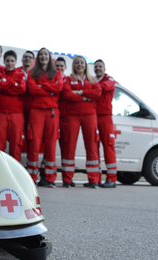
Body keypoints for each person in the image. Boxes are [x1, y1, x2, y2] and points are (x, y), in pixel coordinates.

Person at [61, 56, 101, 188]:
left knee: (92, 147)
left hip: (90, 116)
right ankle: (67, 179)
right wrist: (86, 97)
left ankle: (93, 180)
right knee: (69, 146)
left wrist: (79, 92)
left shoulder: (92, 79)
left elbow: (97, 93)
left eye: (82, 63)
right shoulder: (68, 79)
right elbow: (67, 94)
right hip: (72, 116)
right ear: (73, 65)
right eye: (77, 63)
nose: (79, 65)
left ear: (85, 65)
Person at [26, 47, 63, 188]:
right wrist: (49, 88)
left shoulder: (57, 73)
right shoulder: (32, 72)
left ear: (49, 57)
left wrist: (41, 86)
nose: (43, 56)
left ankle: (49, 178)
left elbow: (58, 88)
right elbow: (32, 89)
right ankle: (32, 177)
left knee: (51, 145)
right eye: (41, 54)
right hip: (37, 111)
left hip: (52, 112)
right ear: (38, 57)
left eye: (45, 54)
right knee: (34, 144)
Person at [37, 57, 70, 187]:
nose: (59, 68)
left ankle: (67, 178)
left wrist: (47, 88)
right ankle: (44, 174)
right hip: (51, 114)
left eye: (62, 66)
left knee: (58, 147)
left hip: (65, 117)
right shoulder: (51, 78)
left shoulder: (68, 80)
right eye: (57, 66)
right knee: (48, 147)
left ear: (65, 68)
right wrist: (50, 88)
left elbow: (64, 92)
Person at [0, 50, 26, 161]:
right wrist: (12, 83)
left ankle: (14, 173)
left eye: (12, 61)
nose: (10, 63)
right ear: (4, 61)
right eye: (7, 61)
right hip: (0, 114)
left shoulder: (21, 74)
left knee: (16, 145)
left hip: (16, 114)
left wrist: (4, 86)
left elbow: (21, 89)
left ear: (16, 62)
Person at [94, 59, 118, 188]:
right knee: (94, 147)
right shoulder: (92, 80)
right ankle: (96, 179)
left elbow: (104, 87)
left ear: (104, 69)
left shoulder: (109, 79)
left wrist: (90, 88)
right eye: (96, 67)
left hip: (105, 117)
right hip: (93, 116)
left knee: (108, 146)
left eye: (100, 67)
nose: (98, 68)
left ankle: (111, 179)